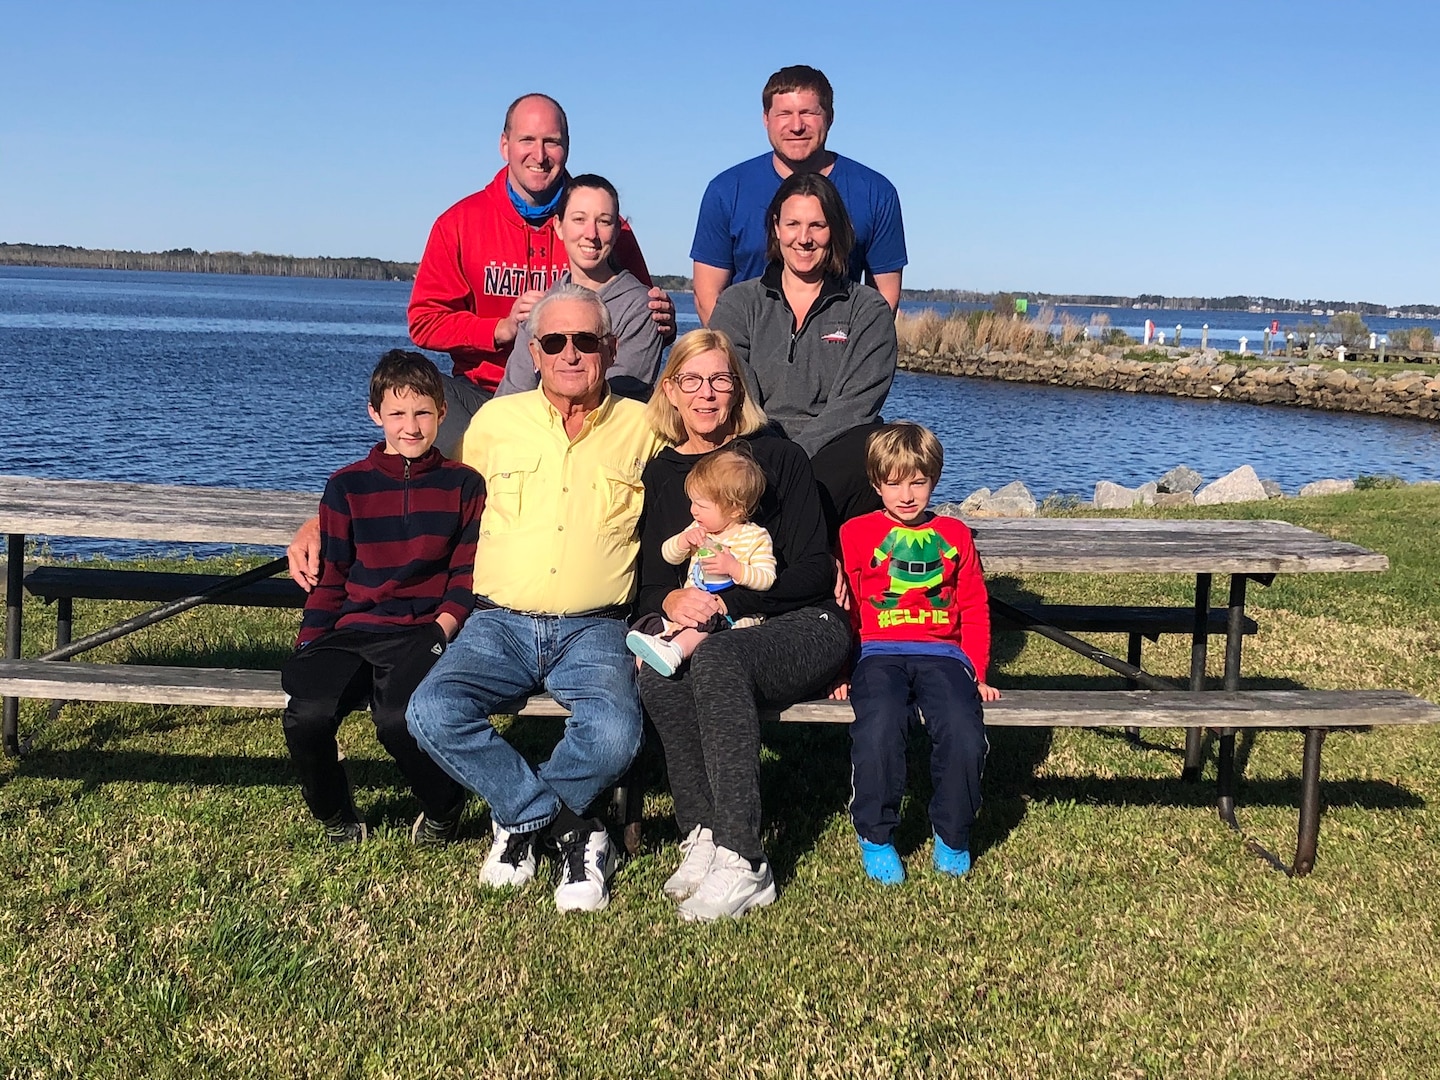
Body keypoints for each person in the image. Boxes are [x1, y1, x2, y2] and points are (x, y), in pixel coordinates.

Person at [403, 283, 665, 914]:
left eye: (585, 341)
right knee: (432, 710)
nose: (569, 354)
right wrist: (317, 523)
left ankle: (519, 823)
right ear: (535, 349)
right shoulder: (496, 422)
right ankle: (569, 828)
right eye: (554, 341)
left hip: (596, 628)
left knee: (614, 733)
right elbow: (422, 474)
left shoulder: (647, 426)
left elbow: (705, 486)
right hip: (499, 623)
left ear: (611, 347)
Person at [635, 328, 852, 922]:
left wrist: (732, 609)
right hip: (718, 628)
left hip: (804, 624)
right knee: (659, 669)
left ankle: (744, 857)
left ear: (737, 388)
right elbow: (654, 578)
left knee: (717, 656)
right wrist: (672, 602)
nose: (706, 394)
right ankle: (702, 831)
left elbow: (812, 571)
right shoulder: (663, 475)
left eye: (720, 379)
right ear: (672, 391)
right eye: (691, 380)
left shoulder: (778, 458)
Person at [281, 350, 483, 845]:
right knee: (306, 715)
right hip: (354, 629)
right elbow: (333, 578)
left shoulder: (464, 485)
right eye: (397, 414)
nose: (410, 427)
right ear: (376, 415)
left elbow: (464, 576)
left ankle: (443, 805)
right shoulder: (347, 485)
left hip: (424, 629)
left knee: (397, 720)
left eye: (422, 413)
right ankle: (334, 814)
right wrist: (309, 644)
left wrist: (441, 631)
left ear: (441, 410)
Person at [407, 93, 674, 457]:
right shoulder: (458, 223)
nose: (540, 153)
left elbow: (636, 304)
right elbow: (423, 322)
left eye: (552, 141)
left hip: (578, 401)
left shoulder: (604, 226)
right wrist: (498, 330)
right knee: (409, 390)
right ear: (504, 145)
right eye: (527, 140)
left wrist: (664, 323)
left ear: (567, 148)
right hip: (482, 392)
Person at [838, 422, 1000, 885]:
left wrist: (979, 670)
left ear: (934, 480)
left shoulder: (955, 534)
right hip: (877, 654)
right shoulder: (854, 533)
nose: (906, 494)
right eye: (893, 483)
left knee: (963, 730)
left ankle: (953, 834)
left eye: (918, 481)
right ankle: (876, 834)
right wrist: (841, 669)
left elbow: (973, 605)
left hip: (945, 656)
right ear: (876, 484)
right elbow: (847, 606)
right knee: (881, 726)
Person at [708, 170, 898, 536]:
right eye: (793, 223)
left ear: (836, 232)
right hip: (754, 446)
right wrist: (772, 454)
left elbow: (856, 407)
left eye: (818, 225)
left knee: (872, 443)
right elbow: (735, 390)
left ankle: (793, 554)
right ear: (776, 227)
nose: (804, 239)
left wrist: (793, 460)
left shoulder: (867, 309)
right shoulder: (738, 303)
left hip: (834, 455)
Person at [690, 65, 906, 326]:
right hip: (747, 353)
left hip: (838, 354)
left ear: (830, 117)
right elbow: (707, 296)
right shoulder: (725, 191)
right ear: (765, 118)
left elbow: (884, 301)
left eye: (808, 113)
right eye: (784, 113)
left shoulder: (876, 193)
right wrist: (737, 357)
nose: (796, 126)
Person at [494, 174, 664, 401]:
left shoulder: (640, 308)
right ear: (559, 226)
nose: (591, 234)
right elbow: (510, 398)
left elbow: (622, 400)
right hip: (534, 431)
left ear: (616, 231)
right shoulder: (543, 306)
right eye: (579, 219)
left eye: (603, 221)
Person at [625, 443, 775, 676]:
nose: (693, 510)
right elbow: (667, 555)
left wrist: (734, 568)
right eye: (693, 502)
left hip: (731, 619)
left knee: (707, 620)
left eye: (701, 505)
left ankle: (674, 650)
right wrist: (683, 541)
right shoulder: (699, 528)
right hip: (694, 611)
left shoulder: (754, 537)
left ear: (735, 509)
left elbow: (767, 579)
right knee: (652, 622)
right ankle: (651, 654)